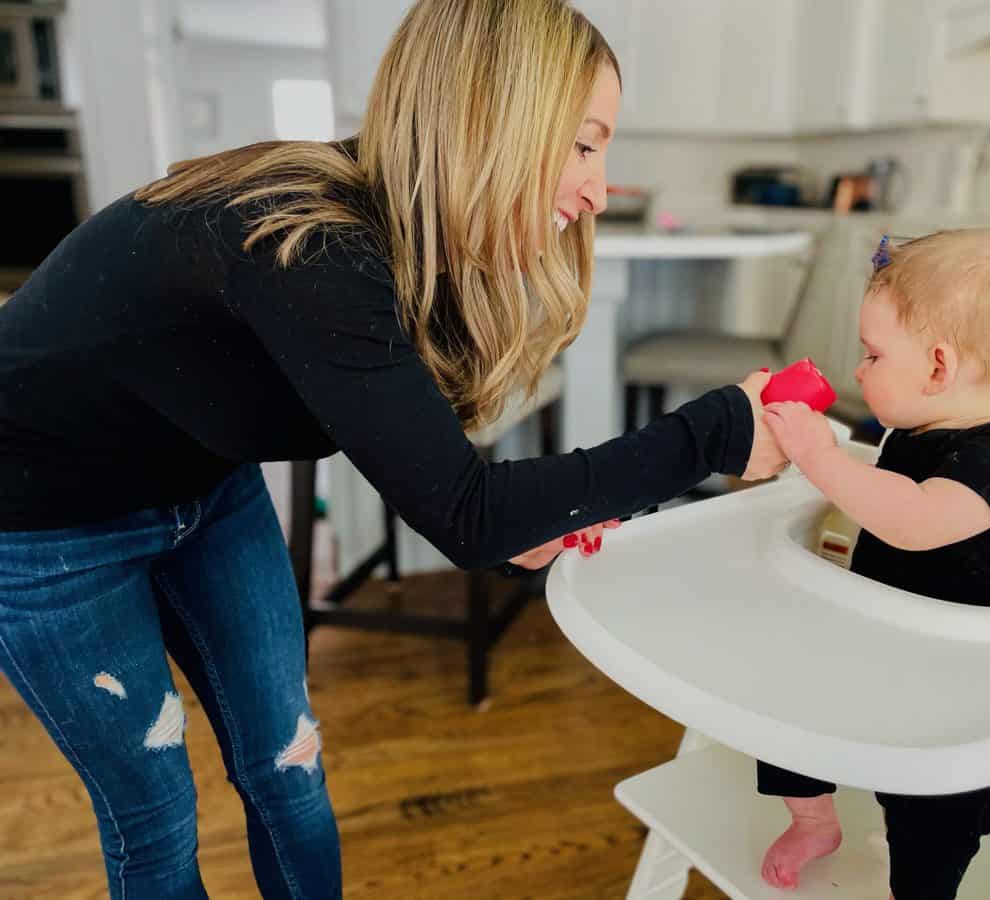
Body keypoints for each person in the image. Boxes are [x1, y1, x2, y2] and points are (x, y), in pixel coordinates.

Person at [0, 1, 785, 896]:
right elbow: (469, 514)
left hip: (204, 488)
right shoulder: (315, 246)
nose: (598, 190)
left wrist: (508, 527)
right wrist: (716, 430)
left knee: (287, 768)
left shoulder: (412, 244)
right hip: (40, 521)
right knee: (155, 821)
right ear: (491, 121)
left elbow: (458, 500)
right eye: (583, 144)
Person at [757, 229, 990, 900]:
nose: (859, 369)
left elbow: (913, 522)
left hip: (966, 692)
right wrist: (819, 448)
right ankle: (812, 818)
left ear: (938, 368)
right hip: (887, 646)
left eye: (873, 353)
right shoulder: (915, 434)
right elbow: (876, 492)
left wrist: (821, 458)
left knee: (932, 820)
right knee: (782, 686)